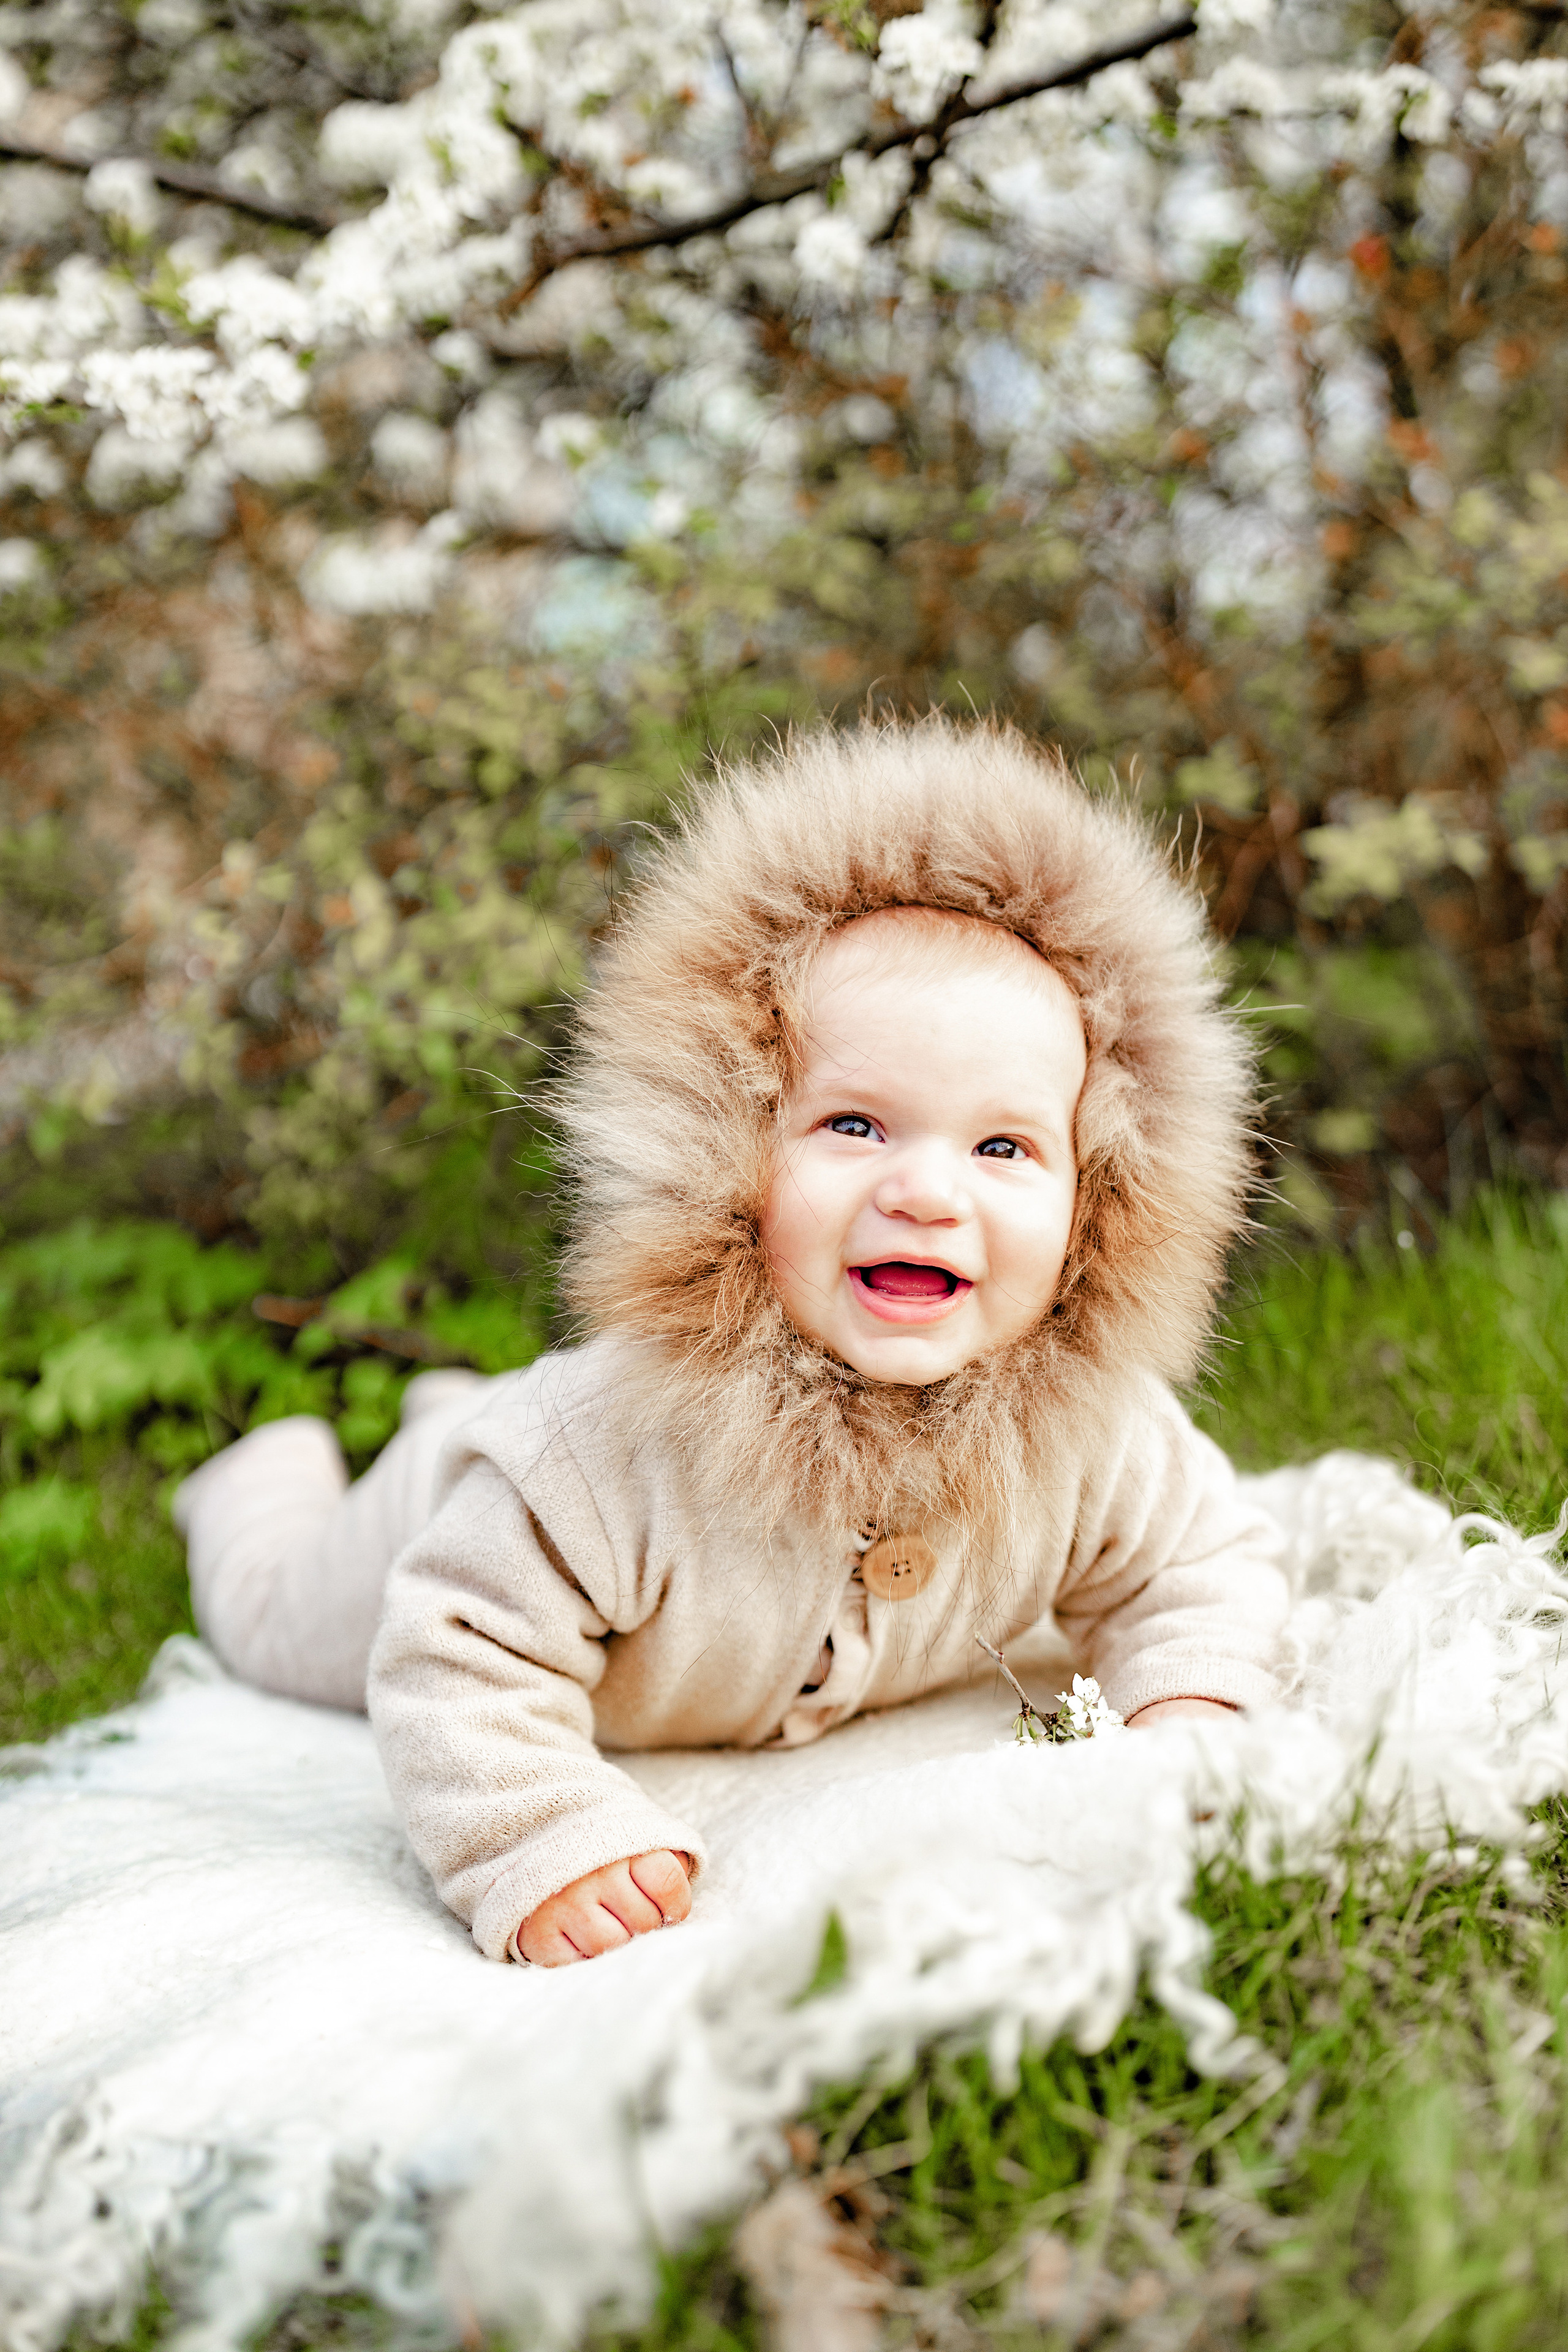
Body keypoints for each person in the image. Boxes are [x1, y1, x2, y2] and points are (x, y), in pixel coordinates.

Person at [176, 717, 1289, 1968]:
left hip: (523, 1465)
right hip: (420, 1531)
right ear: (733, 1153)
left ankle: (446, 1403)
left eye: (1000, 1148)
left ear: (1098, 1205)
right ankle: (262, 1474)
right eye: (855, 1125)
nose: (927, 1194)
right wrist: (541, 1833)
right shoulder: (599, 1458)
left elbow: (1195, 1567)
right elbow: (455, 1651)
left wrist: (1186, 1707)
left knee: (481, 1429)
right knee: (271, 1617)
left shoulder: (1097, 1436)